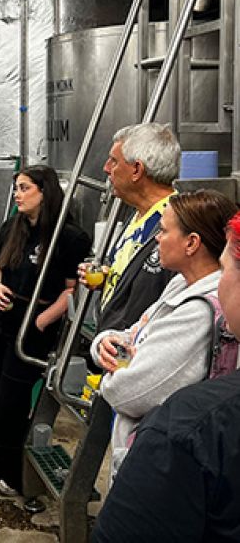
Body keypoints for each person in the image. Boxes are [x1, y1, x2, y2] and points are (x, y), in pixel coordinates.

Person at [91, 209, 240, 543]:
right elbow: (131, 334)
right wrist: (105, 343)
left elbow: (127, 391)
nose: (156, 238)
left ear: (191, 243)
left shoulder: (200, 311)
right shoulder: (176, 286)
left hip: (158, 472)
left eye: (162, 230)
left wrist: (110, 376)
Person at [0, 165, 92, 496]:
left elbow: (72, 290)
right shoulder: (12, 227)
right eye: (16, 187)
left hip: (33, 328)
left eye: (24, 188)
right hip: (1, 322)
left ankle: (16, 479)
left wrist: (42, 321)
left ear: (44, 192)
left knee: (9, 409)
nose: (17, 194)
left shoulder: (69, 237)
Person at [79, 122, 182, 331]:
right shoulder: (138, 214)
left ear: (136, 170)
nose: (106, 168)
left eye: (114, 161)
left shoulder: (178, 223)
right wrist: (108, 279)